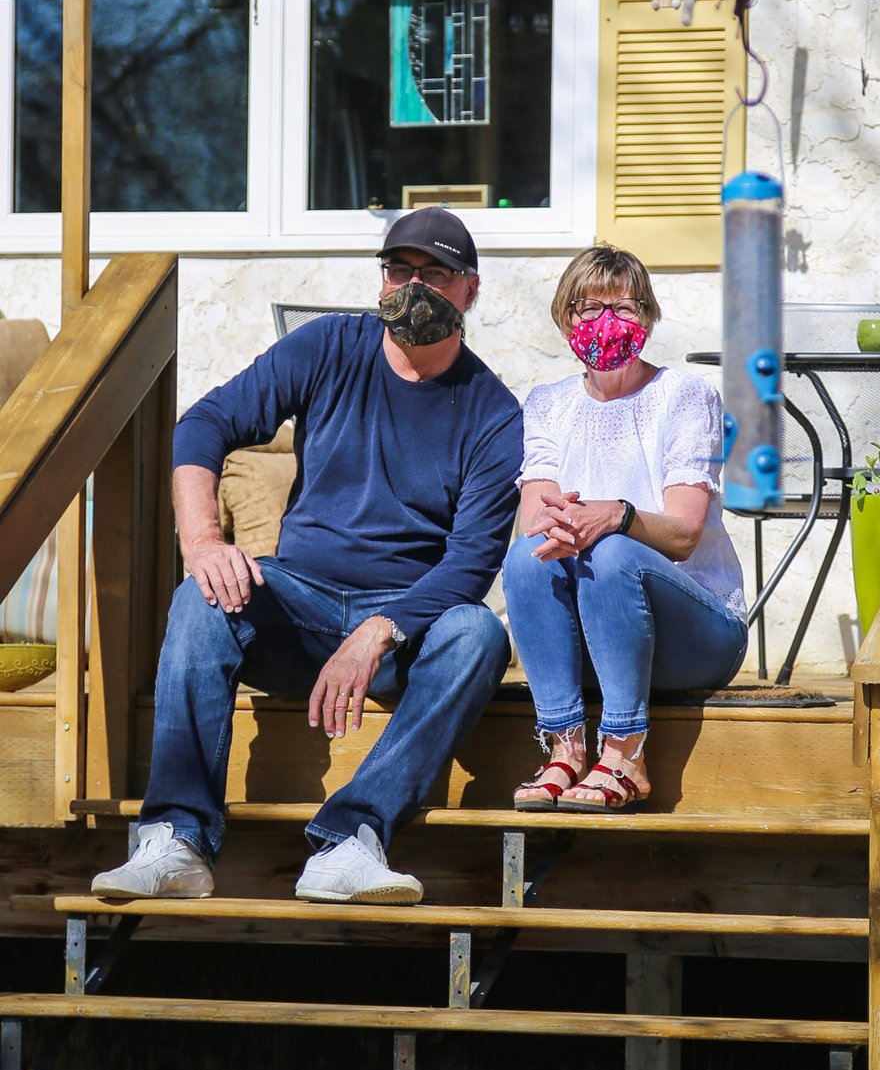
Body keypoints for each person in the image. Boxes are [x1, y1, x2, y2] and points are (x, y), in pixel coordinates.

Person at [92, 208, 522, 904]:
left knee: (479, 633)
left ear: (469, 290)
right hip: (299, 603)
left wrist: (379, 630)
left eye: (434, 274)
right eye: (399, 270)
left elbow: (471, 564)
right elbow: (205, 423)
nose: (412, 287)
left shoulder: (495, 414)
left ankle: (352, 840)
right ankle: (177, 838)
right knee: (199, 599)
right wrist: (204, 542)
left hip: (400, 635)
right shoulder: (328, 346)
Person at [502, 244, 747, 812]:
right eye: (588, 308)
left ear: (649, 316)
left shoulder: (684, 396)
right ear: (566, 320)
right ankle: (564, 747)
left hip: (698, 631)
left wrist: (616, 515)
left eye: (624, 307)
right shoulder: (547, 403)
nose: (605, 321)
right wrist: (563, 525)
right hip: (598, 635)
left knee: (610, 552)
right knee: (526, 556)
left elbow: (685, 534)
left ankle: (626, 754)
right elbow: (535, 518)